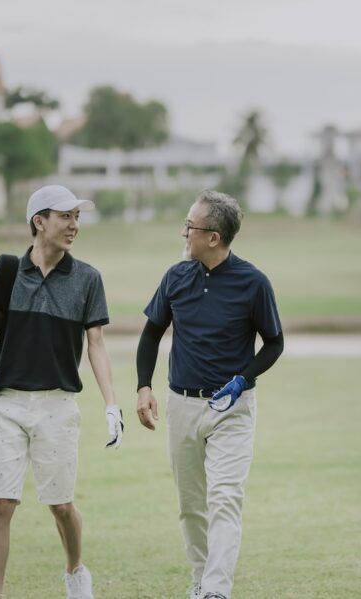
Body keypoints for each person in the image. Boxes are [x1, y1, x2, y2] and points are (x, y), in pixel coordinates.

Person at [0, 185, 124, 599]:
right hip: (7, 404)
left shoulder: (87, 278)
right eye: (65, 216)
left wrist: (112, 405)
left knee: (60, 505)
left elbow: (96, 345)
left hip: (57, 406)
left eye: (77, 217)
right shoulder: (7, 272)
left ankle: (75, 571)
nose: (74, 225)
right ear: (39, 222)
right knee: (1, 504)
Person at [136, 190, 284, 599]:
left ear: (213, 237)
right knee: (191, 506)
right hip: (181, 406)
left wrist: (243, 379)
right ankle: (201, 580)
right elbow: (151, 334)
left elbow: (274, 343)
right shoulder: (175, 277)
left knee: (224, 499)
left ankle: (217, 590)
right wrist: (144, 386)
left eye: (190, 226)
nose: (184, 232)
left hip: (231, 410)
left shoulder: (253, 283)